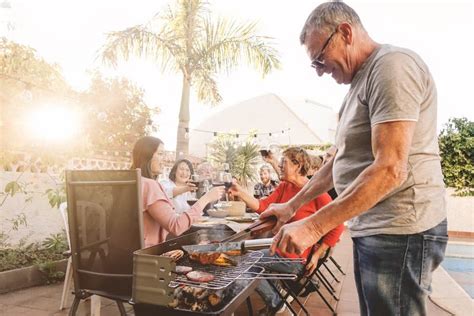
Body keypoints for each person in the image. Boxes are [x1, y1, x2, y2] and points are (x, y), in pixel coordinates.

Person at [261, 3, 448, 315]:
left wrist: (312, 228)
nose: (320, 71)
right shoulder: (355, 87)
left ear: (345, 32)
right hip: (375, 227)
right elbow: (338, 163)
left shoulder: (392, 67)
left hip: (401, 230)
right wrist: (291, 207)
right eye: (315, 65)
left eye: (320, 59)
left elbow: (390, 169)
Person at [230, 147, 344, 315]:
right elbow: (263, 207)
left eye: (284, 162)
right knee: (245, 259)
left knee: (245, 262)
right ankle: (278, 295)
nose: (279, 166)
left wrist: (318, 253)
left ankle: (277, 304)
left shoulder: (316, 192)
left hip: (295, 259)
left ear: (298, 166)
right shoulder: (284, 186)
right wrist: (240, 192)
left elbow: (338, 224)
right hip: (277, 250)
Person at [131, 136, 225, 247]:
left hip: (124, 253)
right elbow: (176, 226)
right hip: (149, 255)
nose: (164, 159)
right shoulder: (150, 185)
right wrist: (207, 198)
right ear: (147, 156)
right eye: (160, 154)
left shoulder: (132, 182)